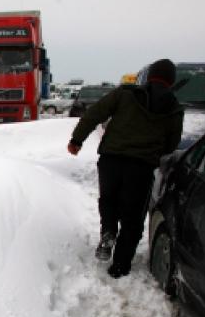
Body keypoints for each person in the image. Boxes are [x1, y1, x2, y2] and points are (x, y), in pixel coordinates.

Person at [67, 59, 184, 278]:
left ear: (149, 76)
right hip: (141, 167)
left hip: (111, 160)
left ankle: (108, 231)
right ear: (171, 81)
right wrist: (155, 152)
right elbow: (172, 143)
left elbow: (94, 114)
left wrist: (76, 140)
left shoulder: (125, 94)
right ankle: (120, 266)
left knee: (108, 200)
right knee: (133, 217)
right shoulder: (174, 108)